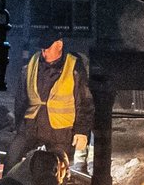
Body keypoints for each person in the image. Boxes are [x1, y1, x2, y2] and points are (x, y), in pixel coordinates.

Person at [7, 30, 94, 168]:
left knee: (58, 170)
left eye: (47, 48)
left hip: (60, 132)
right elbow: (21, 98)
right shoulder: (32, 64)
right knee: (12, 161)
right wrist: (19, 125)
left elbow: (85, 102)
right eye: (42, 48)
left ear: (59, 45)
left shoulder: (74, 67)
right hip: (32, 126)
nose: (44, 52)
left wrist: (81, 131)